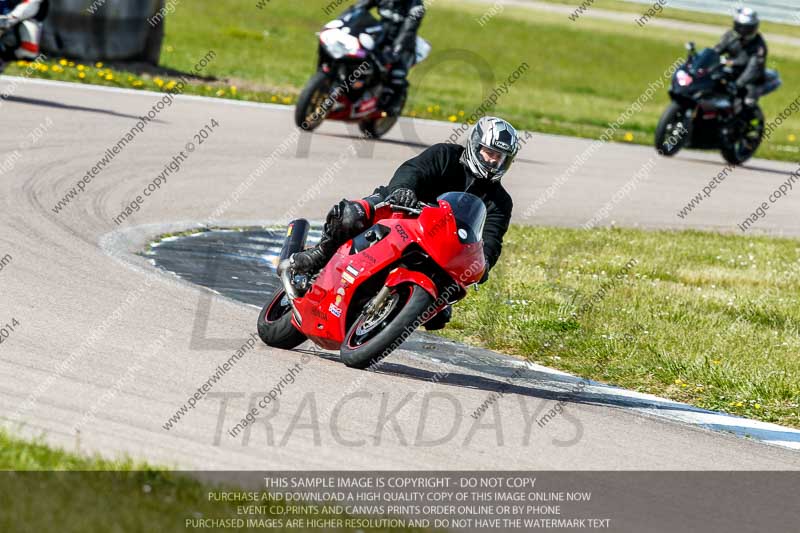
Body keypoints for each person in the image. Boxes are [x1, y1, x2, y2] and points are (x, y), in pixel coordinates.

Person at [283, 116, 520, 330]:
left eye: (500, 158)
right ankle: (319, 256)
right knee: (352, 215)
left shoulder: (500, 202)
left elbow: (492, 237)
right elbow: (413, 170)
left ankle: (397, 310)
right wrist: (404, 189)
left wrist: (484, 263)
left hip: (440, 245)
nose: (493, 162)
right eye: (489, 153)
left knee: (440, 313)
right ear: (475, 144)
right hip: (401, 210)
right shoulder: (445, 155)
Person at [355, 0, 425, 115]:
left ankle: (393, 106)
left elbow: (409, 28)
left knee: (397, 75)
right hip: (381, 37)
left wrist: (397, 48)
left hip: (403, 43)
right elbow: (360, 7)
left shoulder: (415, 5)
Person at [714, 7, 767, 107]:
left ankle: (753, 121)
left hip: (752, 80)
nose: (743, 31)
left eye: (747, 28)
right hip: (731, 73)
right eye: (740, 27)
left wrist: (738, 84)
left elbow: (752, 70)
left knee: (746, 103)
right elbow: (717, 50)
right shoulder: (730, 36)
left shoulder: (759, 46)